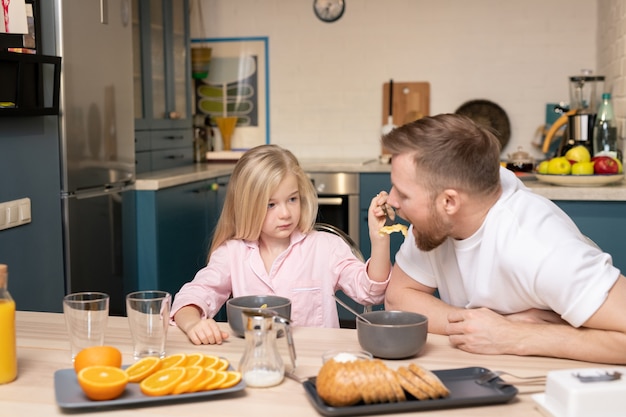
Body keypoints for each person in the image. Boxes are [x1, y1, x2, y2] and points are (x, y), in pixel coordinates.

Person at [382, 113, 626, 365]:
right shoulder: (435, 220)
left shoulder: (539, 246)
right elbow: (399, 297)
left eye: (403, 194)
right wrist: (484, 326)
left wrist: (517, 336)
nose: (392, 201)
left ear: (449, 201)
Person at [171, 144, 392, 345]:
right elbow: (192, 297)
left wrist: (379, 239)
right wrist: (193, 324)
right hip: (257, 362)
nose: (285, 213)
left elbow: (370, 293)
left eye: (292, 199)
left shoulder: (326, 248)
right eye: (271, 205)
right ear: (247, 206)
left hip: (316, 363)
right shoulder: (232, 254)